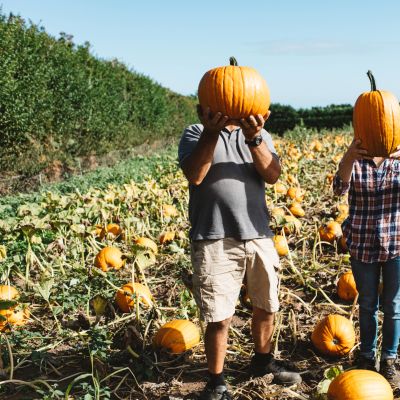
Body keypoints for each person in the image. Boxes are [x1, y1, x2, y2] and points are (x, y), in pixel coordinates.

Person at [178, 105, 301, 400]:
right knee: (219, 316)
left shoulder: (261, 135)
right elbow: (195, 174)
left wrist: (254, 136)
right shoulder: (195, 133)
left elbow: (272, 175)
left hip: (258, 233)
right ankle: (216, 381)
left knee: (266, 304)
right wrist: (211, 133)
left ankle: (262, 362)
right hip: (214, 236)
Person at [333, 138, 400, 388]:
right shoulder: (356, 158)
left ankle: (389, 359)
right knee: (368, 302)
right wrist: (349, 156)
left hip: (396, 242)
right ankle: (367, 357)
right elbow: (339, 188)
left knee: (393, 305)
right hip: (362, 242)